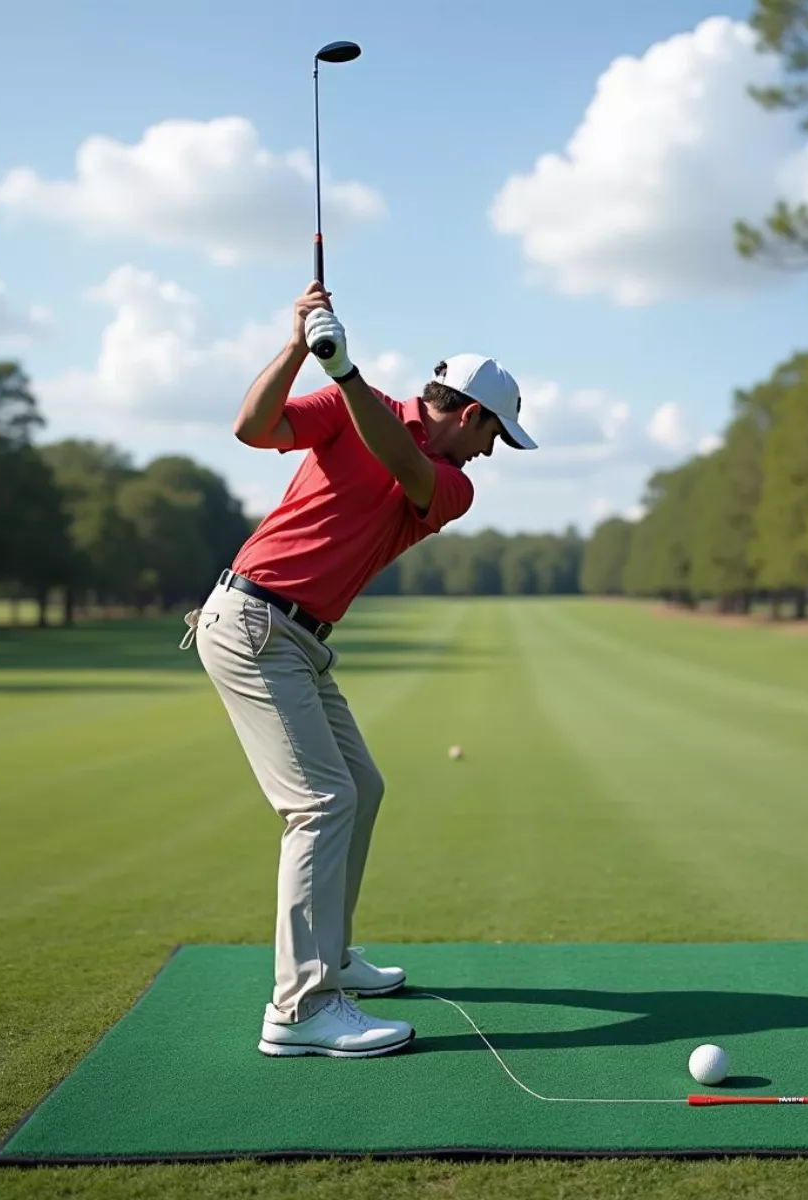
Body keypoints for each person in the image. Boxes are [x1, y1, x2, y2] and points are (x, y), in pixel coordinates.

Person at [180, 281, 536, 1059]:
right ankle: (301, 1008)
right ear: (471, 414)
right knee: (320, 802)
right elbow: (253, 427)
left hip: (301, 640)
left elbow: (404, 461)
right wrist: (298, 343)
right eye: (495, 435)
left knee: (359, 788)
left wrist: (341, 372)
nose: (490, 454)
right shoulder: (351, 400)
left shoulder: (451, 485)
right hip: (250, 621)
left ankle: (332, 955)